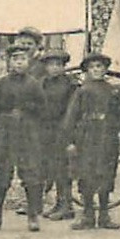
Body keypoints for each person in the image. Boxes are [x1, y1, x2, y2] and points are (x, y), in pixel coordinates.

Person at [62, 51, 120, 231]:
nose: (96, 70)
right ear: (87, 70)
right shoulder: (81, 91)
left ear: (105, 69)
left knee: (106, 173)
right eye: (92, 67)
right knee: (86, 173)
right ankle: (87, 214)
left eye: (99, 67)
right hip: (86, 137)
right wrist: (70, 141)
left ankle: (104, 214)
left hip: (107, 136)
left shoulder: (114, 91)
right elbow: (71, 117)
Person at [0, 42, 47, 233]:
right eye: (15, 59)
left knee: (30, 173)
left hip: (27, 132)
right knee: (3, 174)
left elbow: (42, 110)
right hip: (5, 132)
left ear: (28, 61)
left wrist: (28, 112)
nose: (19, 63)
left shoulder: (34, 85)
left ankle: (32, 215)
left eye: (23, 59)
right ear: (9, 61)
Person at [37, 49, 78, 220]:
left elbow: (73, 109)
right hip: (46, 129)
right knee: (52, 168)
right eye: (51, 65)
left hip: (64, 129)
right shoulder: (42, 83)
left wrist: (67, 131)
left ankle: (67, 205)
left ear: (63, 67)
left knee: (63, 168)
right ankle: (59, 203)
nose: (54, 68)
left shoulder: (70, 84)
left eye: (58, 65)